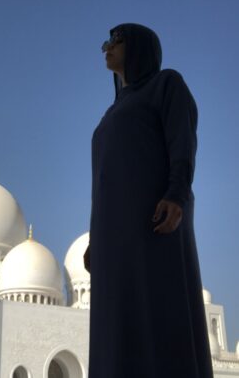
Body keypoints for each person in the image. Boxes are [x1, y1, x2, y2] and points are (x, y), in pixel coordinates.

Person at [84, 23, 213, 378]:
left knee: (157, 307)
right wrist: (95, 237)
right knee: (116, 321)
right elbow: (103, 179)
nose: (106, 47)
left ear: (139, 47)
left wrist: (176, 193)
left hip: (153, 220)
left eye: (116, 40)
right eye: (106, 40)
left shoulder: (166, 85)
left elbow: (182, 141)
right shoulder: (111, 112)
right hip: (114, 237)